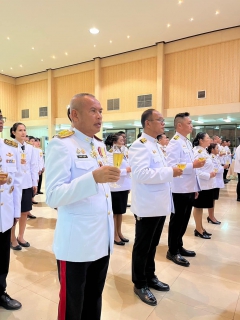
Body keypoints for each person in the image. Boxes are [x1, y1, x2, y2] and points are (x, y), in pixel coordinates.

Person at [46, 93, 120, 320]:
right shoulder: (62, 145)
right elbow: (53, 196)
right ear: (74, 114)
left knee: (94, 300)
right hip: (76, 244)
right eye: (93, 111)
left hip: (101, 240)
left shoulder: (97, 145)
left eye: (100, 111)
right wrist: (93, 179)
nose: (99, 116)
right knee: (72, 306)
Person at [129, 108, 182, 306]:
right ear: (148, 123)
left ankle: (150, 276)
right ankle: (139, 283)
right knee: (143, 246)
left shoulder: (157, 145)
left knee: (152, 245)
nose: (163, 123)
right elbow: (141, 174)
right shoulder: (139, 146)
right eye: (159, 120)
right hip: (147, 205)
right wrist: (170, 172)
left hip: (159, 204)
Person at [166, 112, 204, 267]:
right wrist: (192, 166)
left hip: (188, 187)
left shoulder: (186, 142)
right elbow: (172, 166)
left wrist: (195, 186)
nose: (191, 126)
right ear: (179, 125)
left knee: (184, 220)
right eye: (189, 123)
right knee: (177, 221)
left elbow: (191, 167)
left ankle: (179, 245)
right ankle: (172, 251)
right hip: (179, 188)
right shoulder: (174, 143)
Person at [0, 112, 22, 310]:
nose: (0, 122)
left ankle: (0, 292)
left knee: (1, 258)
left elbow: (16, 180)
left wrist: (16, 212)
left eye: (1, 118)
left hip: (3, 214)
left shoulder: (10, 147)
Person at [10, 123, 38, 250]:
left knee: (24, 211)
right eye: (20, 130)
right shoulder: (8, 146)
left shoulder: (30, 148)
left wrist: (34, 182)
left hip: (26, 183)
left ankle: (21, 236)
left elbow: (33, 166)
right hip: (14, 184)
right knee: (13, 213)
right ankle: (12, 238)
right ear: (13, 132)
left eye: (24, 130)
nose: (23, 132)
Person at [105, 134, 131, 246]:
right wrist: (127, 170)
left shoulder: (123, 153)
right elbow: (114, 170)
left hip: (123, 186)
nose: (123, 141)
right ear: (114, 142)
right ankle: (114, 235)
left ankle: (119, 232)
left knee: (120, 212)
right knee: (115, 213)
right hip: (115, 187)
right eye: (121, 140)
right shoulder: (110, 154)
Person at [192, 132, 216, 239]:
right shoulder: (198, 152)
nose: (210, 139)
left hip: (207, 184)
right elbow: (196, 171)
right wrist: (208, 175)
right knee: (198, 207)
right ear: (201, 140)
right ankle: (198, 229)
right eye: (208, 138)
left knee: (201, 207)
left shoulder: (204, 151)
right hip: (201, 185)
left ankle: (200, 227)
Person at [207, 143, 225, 224]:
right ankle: (211, 216)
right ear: (212, 149)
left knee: (213, 199)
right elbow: (215, 169)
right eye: (217, 148)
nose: (218, 150)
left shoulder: (215, 157)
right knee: (211, 199)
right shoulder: (211, 157)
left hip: (216, 181)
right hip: (214, 181)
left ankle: (211, 215)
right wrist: (223, 167)